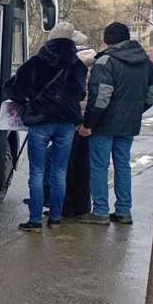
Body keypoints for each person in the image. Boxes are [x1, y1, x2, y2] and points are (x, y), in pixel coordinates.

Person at [6, 21, 88, 232]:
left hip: (40, 122)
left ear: (51, 38)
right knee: (59, 172)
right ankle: (55, 218)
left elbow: (15, 91)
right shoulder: (77, 65)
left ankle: (34, 221)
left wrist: (27, 101)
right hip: (67, 124)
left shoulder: (35, 63)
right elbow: (80, 94)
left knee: (37, 172)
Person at [76, 22, 153, 225]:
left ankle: (101, 212)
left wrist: (88, 124)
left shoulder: (105, 62)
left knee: (99, 167)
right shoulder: (145, 62)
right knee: (122, 166)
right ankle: (123, 211)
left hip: (103, 124)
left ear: (107, 40)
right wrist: (136, 110)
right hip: (128, 124)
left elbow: (101, 97)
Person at [61, 38, 97, 217]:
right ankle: (83, 206)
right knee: (85, 166)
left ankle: (66, 206)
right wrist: (89, 122)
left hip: (71, 120)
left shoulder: (71, 64)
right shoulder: (97, 63)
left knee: (66, 166)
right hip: (89, 123)